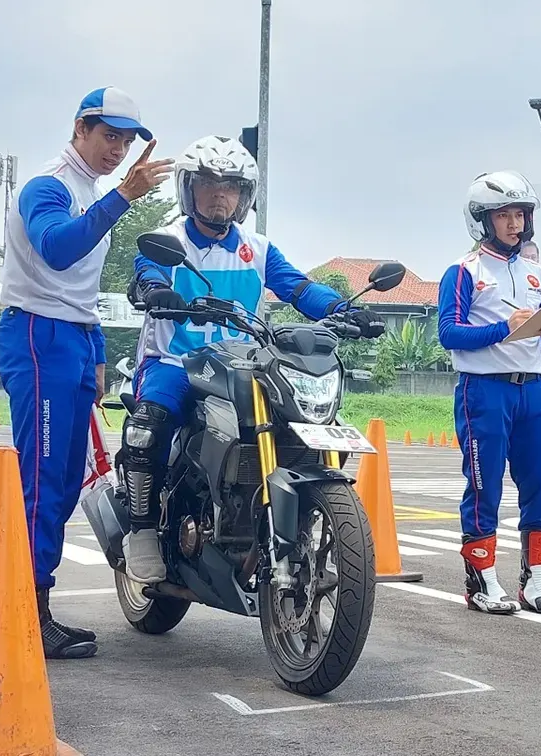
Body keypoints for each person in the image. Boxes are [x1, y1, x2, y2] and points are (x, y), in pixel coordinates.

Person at [121, 135, 387, 583]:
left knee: (296, 420)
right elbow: (146, 271)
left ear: (245, 196)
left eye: (231, 187)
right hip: (175, 361)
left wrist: (343, 308)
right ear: (189, 189)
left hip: (241, 362)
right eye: (208, 184)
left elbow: (298, 287)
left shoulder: (258, 248)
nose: (219, 196)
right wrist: (153, 290)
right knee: (149, 424)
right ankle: (143, 530)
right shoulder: (166, 242)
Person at [0, 86, 172, 659]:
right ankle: (27, 613)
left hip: (71, 337)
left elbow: (81, 289)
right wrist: (124, 195)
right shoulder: (49, 185)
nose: (117, 149)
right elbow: (56, 251)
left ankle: (34, 604)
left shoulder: (88, 190)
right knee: (43, 480)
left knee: (68, 479)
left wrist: (95, 352)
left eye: (126, 140)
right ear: (80, 129)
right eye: (108, 136)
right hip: (37, 335)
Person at [437, 170, 541, 616]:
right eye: (504, 215)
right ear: (482, 220)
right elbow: (449, 333)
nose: (514, 224)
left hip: (534, 389)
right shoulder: (463, 271)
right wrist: (501, 328)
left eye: (520, 214)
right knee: (484, 483)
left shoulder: (535, 272)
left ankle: (539, 579)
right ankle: (481, 580)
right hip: (484, 390)